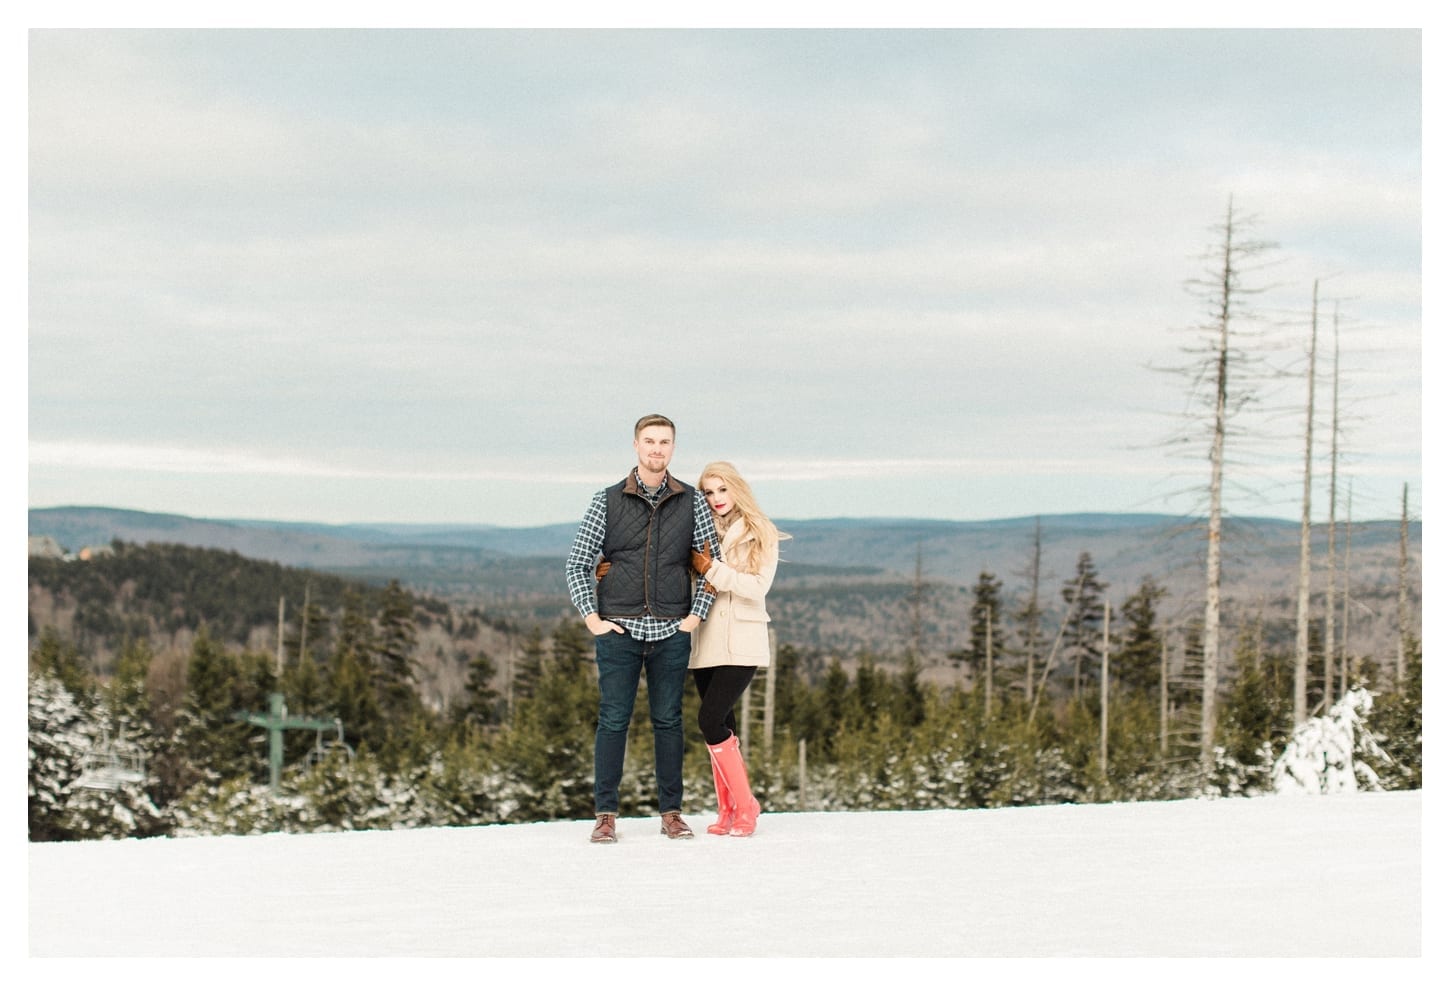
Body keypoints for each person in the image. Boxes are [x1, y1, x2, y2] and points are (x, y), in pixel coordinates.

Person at [565, 414, 718, 844]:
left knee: (669, 721)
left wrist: (696, 615)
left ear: (673, 448)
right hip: (619, 631)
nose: (657, 449)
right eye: (649, 441)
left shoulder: (692, 501)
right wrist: (592, 618)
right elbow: (578, 562)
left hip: (672, 630)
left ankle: (672, 814)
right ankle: (605, 815)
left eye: (664, 442)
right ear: (635, 445)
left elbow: (711, 564)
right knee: (613, 721)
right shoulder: (606, 501)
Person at [688, 461, 788, 837]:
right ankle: (728, 809)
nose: (716, 499)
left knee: (709, 720)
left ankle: (746, 806)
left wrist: (712, 569)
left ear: (736, 489)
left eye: (722, 490)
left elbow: (757, 587)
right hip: (707, 637)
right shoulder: (700, 532)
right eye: (709, 492)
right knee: (723, 724)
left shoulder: (761, 531)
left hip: (743, 639)